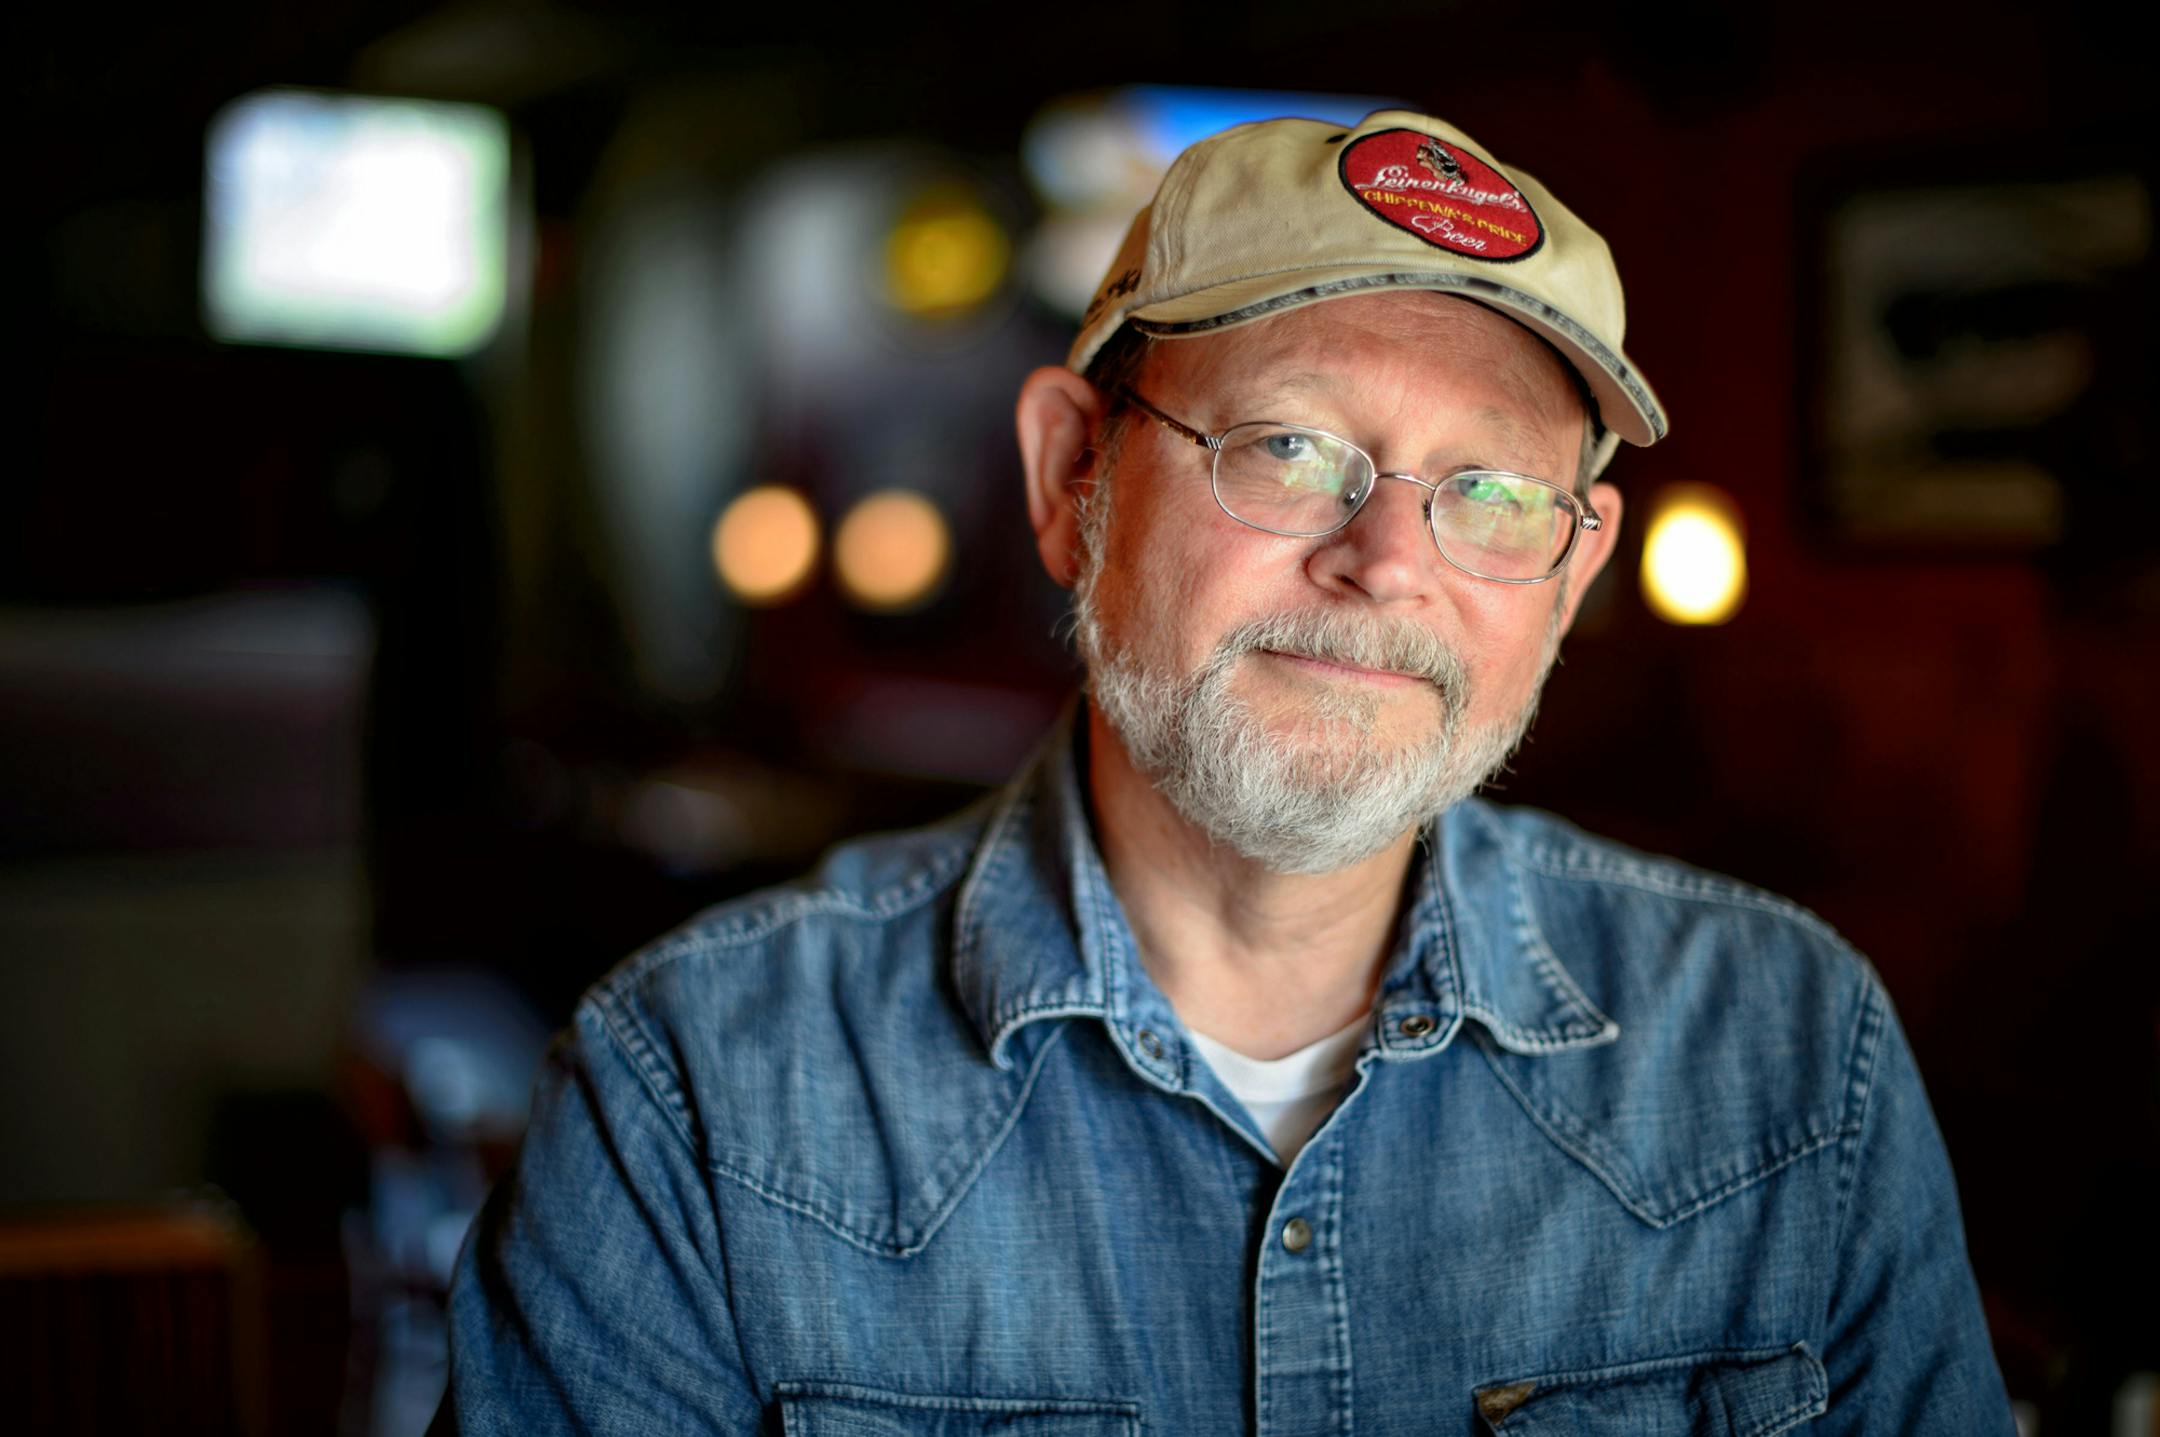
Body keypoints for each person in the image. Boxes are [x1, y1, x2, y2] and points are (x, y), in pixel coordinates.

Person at [437, 109, 2014, 1434]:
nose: (1388, 560)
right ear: (1074, 482)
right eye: (1289, 446)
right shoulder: (696, 1100)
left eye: (1489, 488)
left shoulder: (1793, 1058)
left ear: (1575, 571)